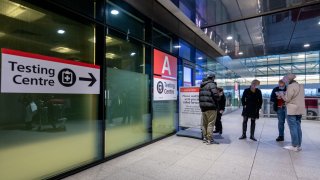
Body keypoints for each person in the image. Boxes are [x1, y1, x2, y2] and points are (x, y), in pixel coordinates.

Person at [280, 74, 305, 152]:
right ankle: (299, 145)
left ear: (288, 80)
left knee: (293, 127)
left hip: (292, 109)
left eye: (285, 81)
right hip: (299, 109)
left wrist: (281, 95)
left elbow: (287, 99)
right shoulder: (301, 86)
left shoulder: (290, 86)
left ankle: (294, 145)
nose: (284, 82)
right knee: (298, 126)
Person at [199, 74, 220, 145]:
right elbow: (216, 95)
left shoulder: (202, 85)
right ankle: (209, 139)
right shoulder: (212, 84)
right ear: (213, 78)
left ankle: (204, 138)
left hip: (203, 108)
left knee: (204, 124)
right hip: (211, 107)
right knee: (210, 123)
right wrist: (218, 96)